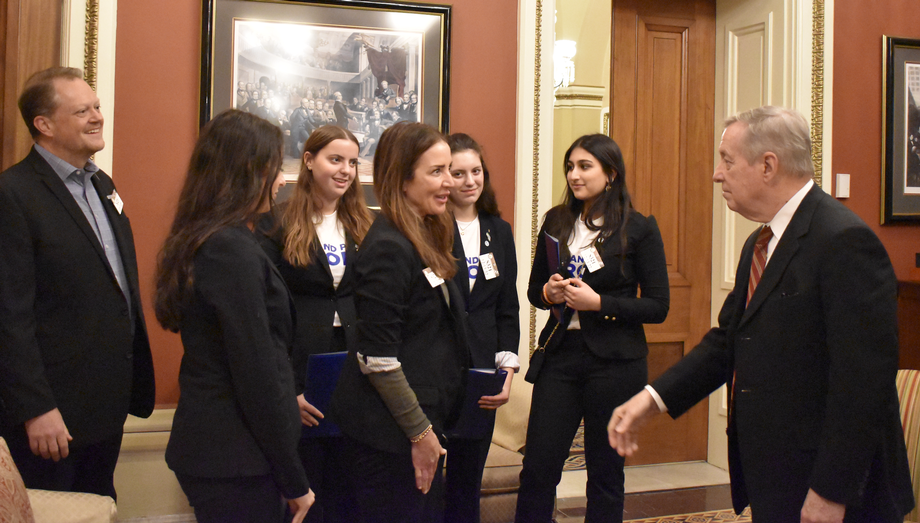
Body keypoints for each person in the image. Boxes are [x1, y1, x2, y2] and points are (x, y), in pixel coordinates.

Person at [607, 106, 915, 523]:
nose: (717, 174)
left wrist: (830, 492)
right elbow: (728, 340)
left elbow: (862, 384)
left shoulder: (843, 241)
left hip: (834, 492)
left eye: (727, 161)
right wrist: (652, 399)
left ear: (768, 165)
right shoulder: (760, 241)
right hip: (777, 479)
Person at [0, 67, 155, 499]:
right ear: (43, 125)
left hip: (106, 404)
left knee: (98, 505)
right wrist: (35, 409)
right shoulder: (13, 194)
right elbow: (9, 316)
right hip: (52, 415)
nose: (97, 117)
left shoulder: (102, 184)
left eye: (97, 107)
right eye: (81, 110)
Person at [154, 109, 314, 523]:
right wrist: (293, 477)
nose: (281, 180)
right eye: (276, 168)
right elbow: (255, 370)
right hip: (235, 456)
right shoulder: (230, 248)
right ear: (251, 171)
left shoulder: (213, 236)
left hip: (226, 451)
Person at [515, 134, 669, 523]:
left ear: (611, 174)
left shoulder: (639, 229)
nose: (574, 175)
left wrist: (599, 304)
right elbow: (535, 290)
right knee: (538, 467)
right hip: (561, 356)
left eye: (584, 167)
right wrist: (549, 293)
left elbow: (658, 306)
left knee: (604, 473)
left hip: (616, 363)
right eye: (570, 167)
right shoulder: (556, 220)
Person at [330, 121, 470, 523]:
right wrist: (420, 434)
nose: (449, 183)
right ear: (402, 179)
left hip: (421, 423)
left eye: (449, 170)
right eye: (436, 172)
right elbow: (378, 359)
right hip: (389, 437)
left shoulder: (423, 235)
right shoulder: (389, 247)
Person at [258, 125, 373, 522]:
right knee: (307, 482)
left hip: (355, 369)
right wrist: (288, 387)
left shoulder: (366, 224)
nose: (345, 171)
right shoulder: (276, 222)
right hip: (301, 364)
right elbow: (266, 314)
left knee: (349, 484)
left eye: (353, 163)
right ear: (308, 161)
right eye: (335, 159)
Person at [444, 133, 520, 523]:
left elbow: (507, 307)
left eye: (476, 171)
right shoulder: (429, 227)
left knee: (466, 480)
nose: (470, 181)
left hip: (481, 374)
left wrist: (506, 372)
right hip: (438, 373)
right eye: (459, 173)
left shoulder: (499, 230)